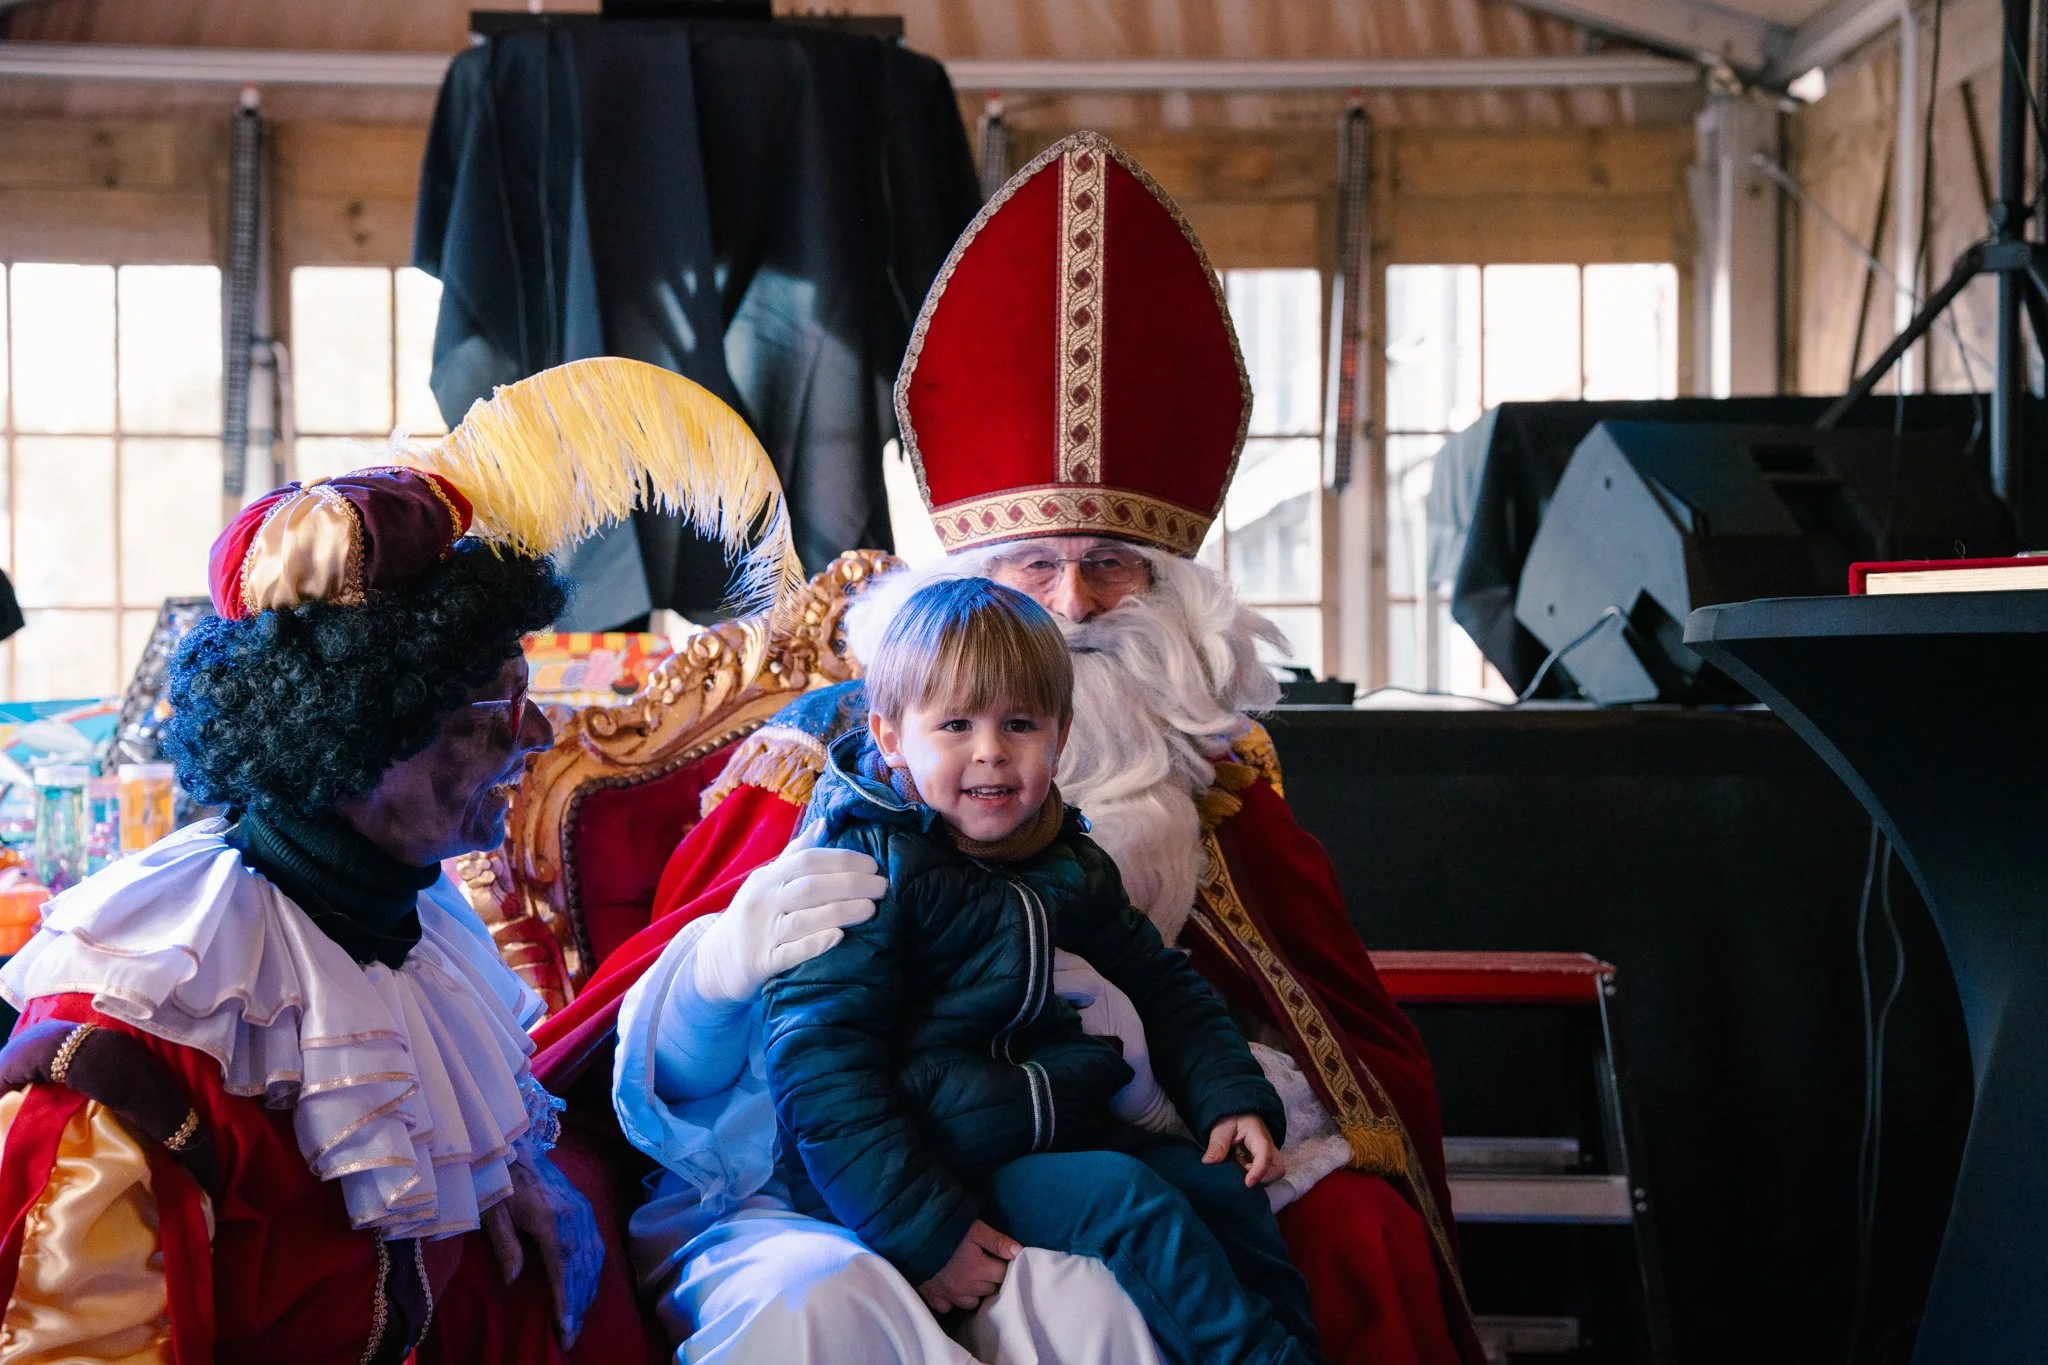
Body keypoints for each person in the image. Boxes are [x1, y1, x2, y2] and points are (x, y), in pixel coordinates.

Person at [542, 132, 1483, 1365]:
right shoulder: (825, 774)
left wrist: (1198, 1081)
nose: (1078, 607)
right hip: (880, 1166)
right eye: (1034, 566)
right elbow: (757, 1044)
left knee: (1312, 1233)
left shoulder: (1212, 774)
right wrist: (725, 974)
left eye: (1112, 566)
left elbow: (1287, 1017)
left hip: (1094, 1128)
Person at [0, 356, 806, 1365]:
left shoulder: (418, 938)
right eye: (492, 704)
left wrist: (521, 1169)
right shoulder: (146, 1028)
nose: (535, 732)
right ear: (352, 735)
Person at [764, 577, 1322, 1365]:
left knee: (1221, 1188)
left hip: (1049, 1128)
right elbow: (820, 1071)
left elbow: (1162, 984)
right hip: (937, 1162)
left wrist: (1228, 1094)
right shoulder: (866, 868)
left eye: (1018, 724)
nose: (990, 749)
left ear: (1058, 736)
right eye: (956, 724)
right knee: (1126, 1201)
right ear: (891, 738)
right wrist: (928, 1231)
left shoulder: (1067, 858)